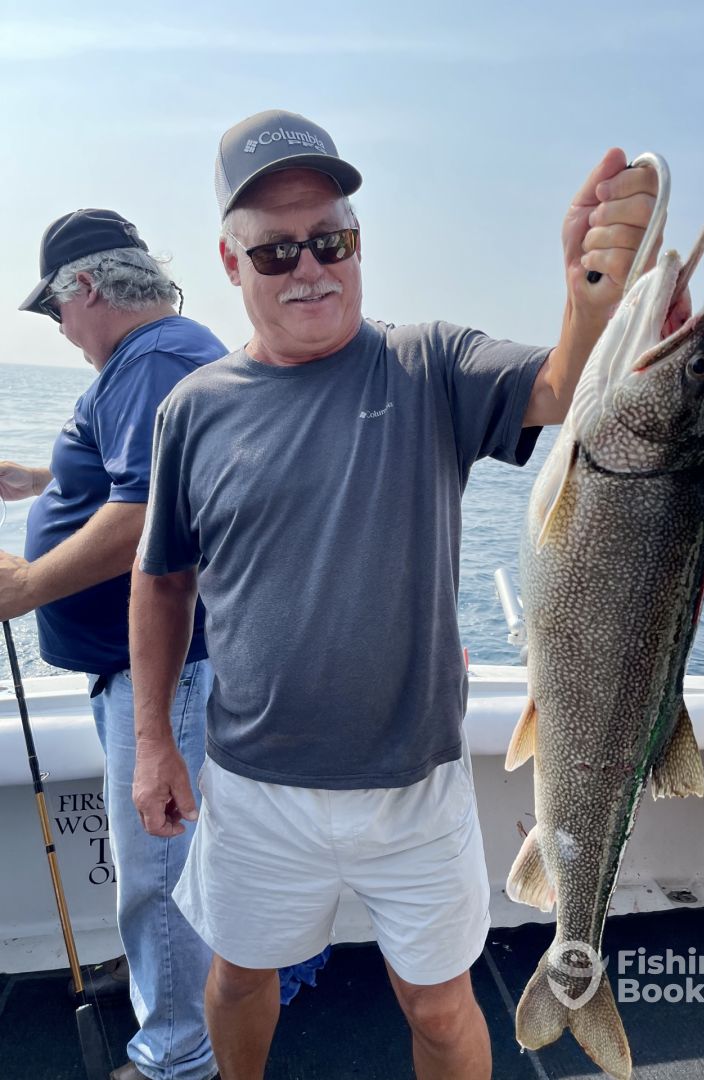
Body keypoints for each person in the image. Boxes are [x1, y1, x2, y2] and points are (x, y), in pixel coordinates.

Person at [130, 109, 668, 1080]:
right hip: (253, 784)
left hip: (416, 786)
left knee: (440, 1008)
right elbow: (163, 580)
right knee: (239, 979)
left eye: (330, 241)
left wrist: (591, 296)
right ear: (230, 261)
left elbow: (561, 388)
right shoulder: (191, 411)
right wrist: (153, 742)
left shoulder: (429, 365)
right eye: (276, 250)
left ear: (358, 242)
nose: (309, 268)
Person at [0, 209, 226, 1080]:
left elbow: (143, 514)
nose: (59, 329)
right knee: (163, 867)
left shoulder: (153, 359)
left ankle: (177, 1056)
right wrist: (44, 478)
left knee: (158, 873)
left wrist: (26, 586)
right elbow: (138, 471)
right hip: (146, 670)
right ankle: (171, 1001)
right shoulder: (156, 357)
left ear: (87, 287)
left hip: (162, 672)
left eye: (55, 310)